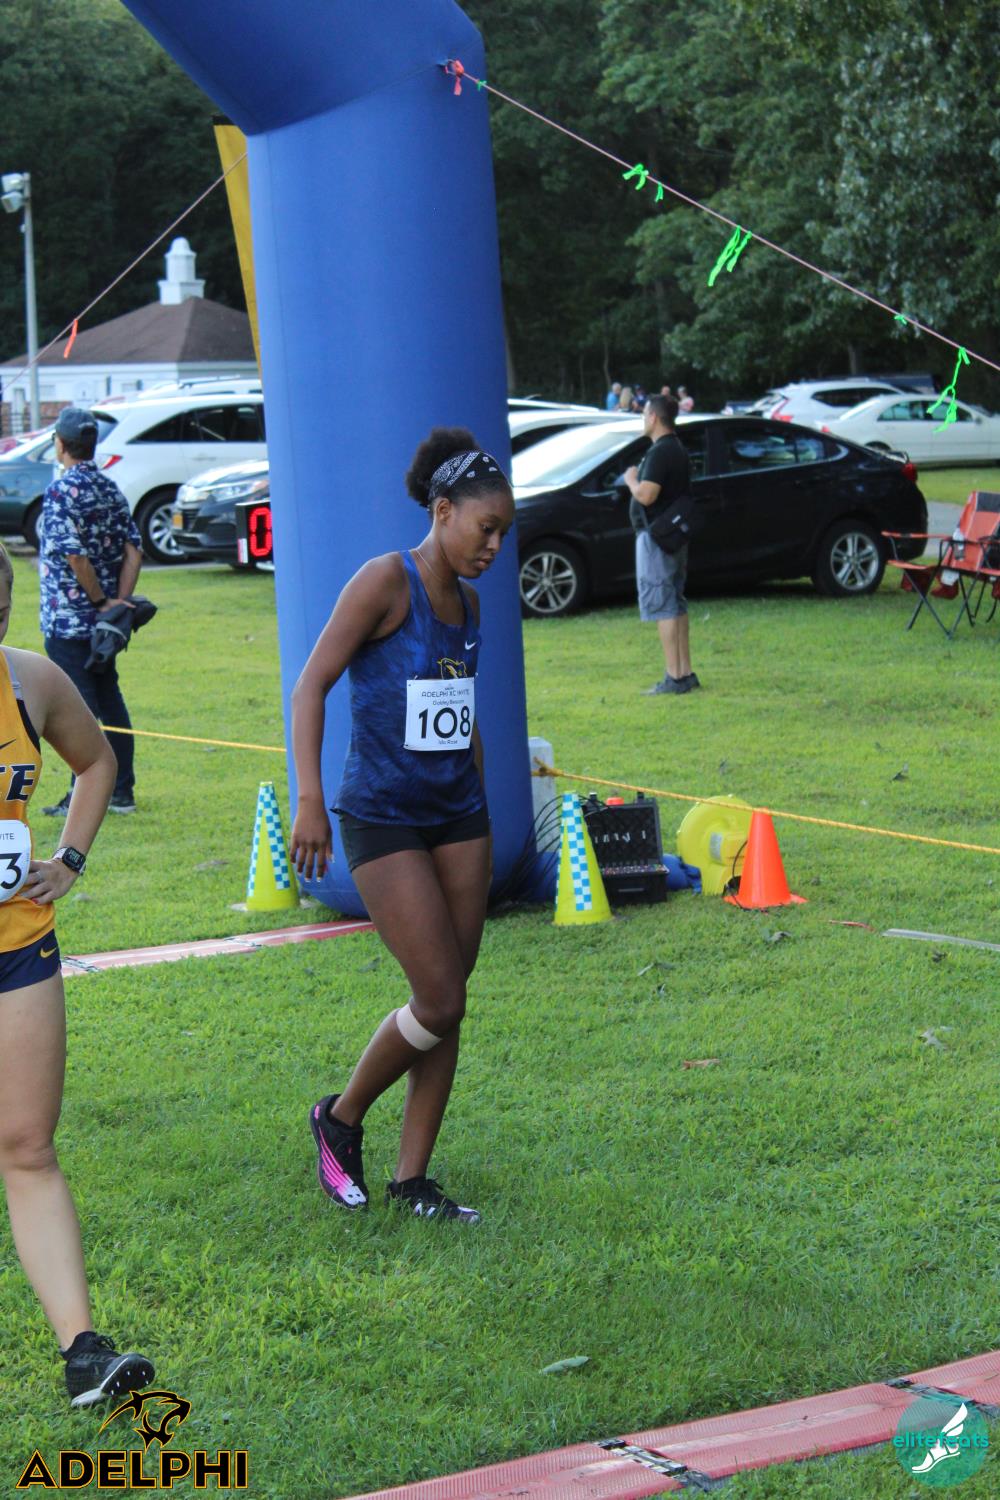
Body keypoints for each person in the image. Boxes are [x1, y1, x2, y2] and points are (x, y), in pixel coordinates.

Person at [290, 428, 515, 1223]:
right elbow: (311, 686)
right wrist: (309, 798)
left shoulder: (472, 604)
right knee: (439, 996)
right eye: (485, 528)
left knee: (448, 998)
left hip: (459, 818)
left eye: (504, 533)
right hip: (382, 816)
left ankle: (413, 1179)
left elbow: (459, 708)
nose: (494, 546)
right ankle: (340, 1117)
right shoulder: (385, 581)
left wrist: (478, 799)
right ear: (442, 510)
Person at [0, 542, 154, 1406]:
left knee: (28, 1145)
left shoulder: (30, 681)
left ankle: (84, 1354)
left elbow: (96, 763)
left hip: (17, 944)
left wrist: (69, 859)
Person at [39, 407, 143, 817]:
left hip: (68, 623)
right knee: (109, 700)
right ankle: (121, 791)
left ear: (61, 444)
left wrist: (101, 602)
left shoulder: (61, 492)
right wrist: (118, 604)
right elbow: (134, 550)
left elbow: (75, 556)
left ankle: (81, 796)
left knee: (78, 711)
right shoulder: (110, 488)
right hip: (104, 626)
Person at [624, 394, 700, 695]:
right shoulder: (677, 448)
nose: (643, 419)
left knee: (663, 602)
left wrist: (631, 480)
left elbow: (647, 495)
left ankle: (674, 676)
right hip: (673, 536)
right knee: (675, 601)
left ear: (654, 417)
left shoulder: (660, 452)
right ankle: (685, 671)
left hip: (657, 538)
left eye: (645, 414)